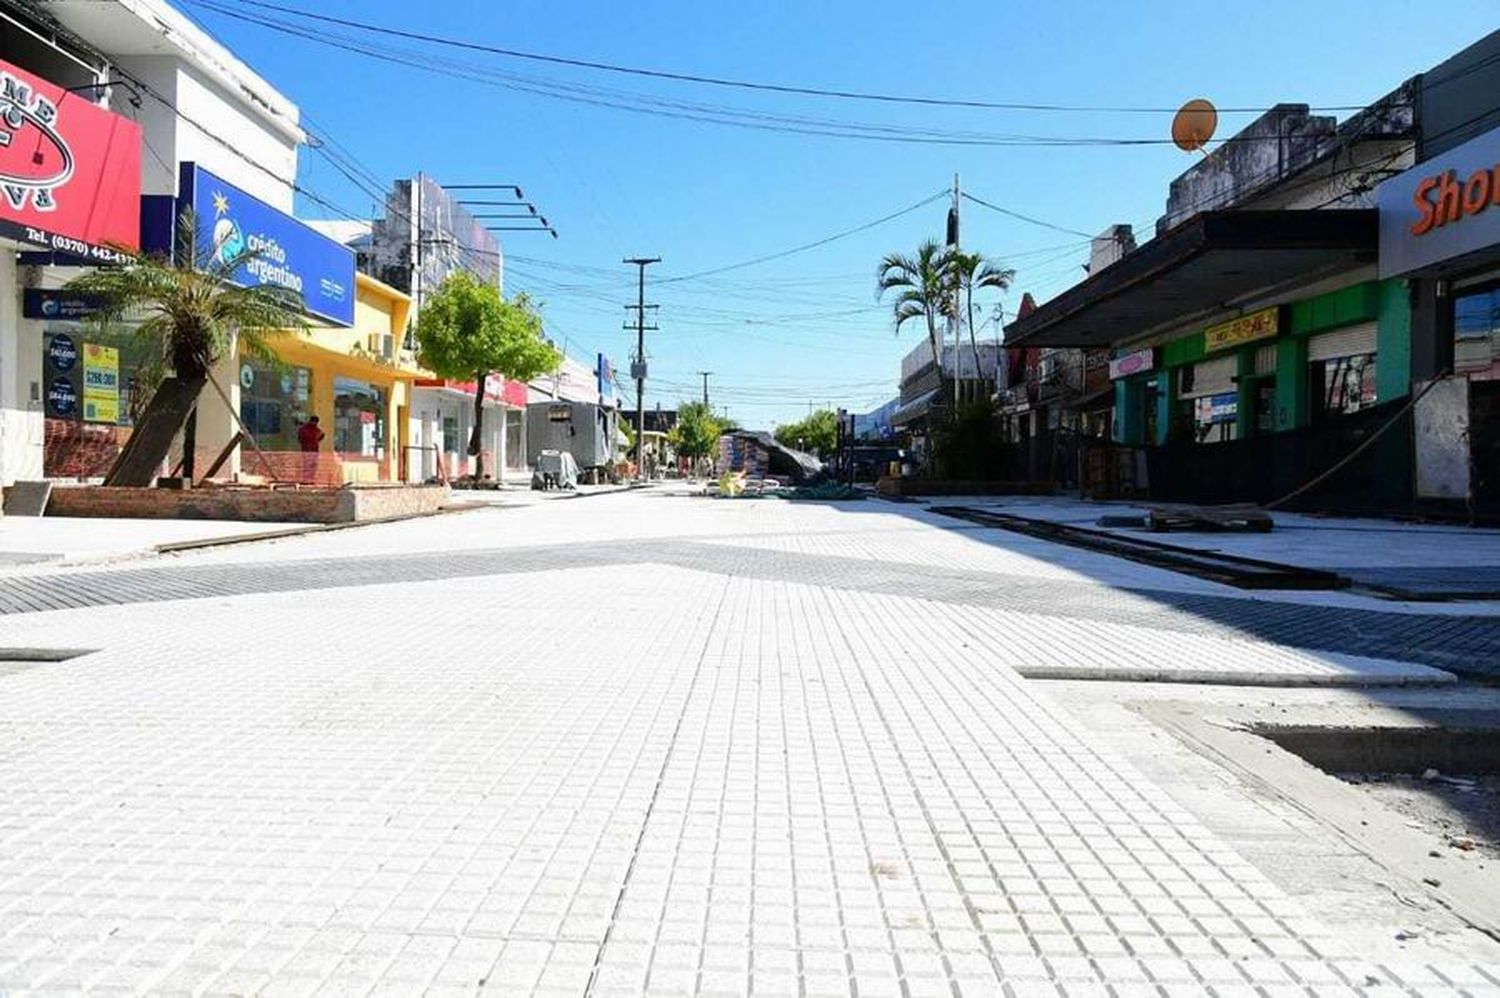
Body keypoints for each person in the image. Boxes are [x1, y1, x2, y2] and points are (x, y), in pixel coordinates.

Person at [296, 415, 324, 482]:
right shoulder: (307, 429)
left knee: (311, 465)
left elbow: (321, 435)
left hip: (311, 450)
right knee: (308, 465)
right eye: (315, 422)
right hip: (309, 450)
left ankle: (309, 479)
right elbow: (321, 435)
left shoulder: (312, 429)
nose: (315, 423)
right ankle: (307, 479)